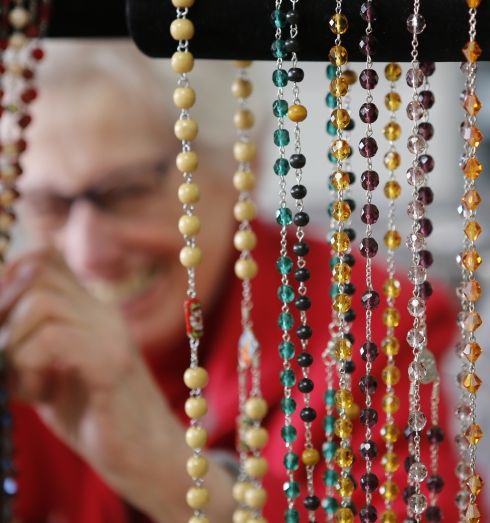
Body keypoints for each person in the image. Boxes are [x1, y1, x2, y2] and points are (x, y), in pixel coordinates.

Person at [2, 40, 461, 523]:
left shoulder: (368, 323)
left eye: (129, 190)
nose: (88, 252)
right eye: (47, 206)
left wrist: (171, 476)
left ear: (240, 167)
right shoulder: (22, 331)